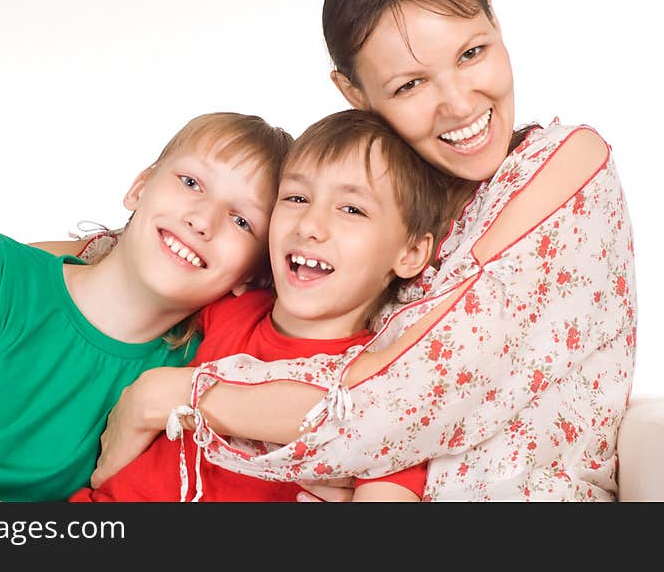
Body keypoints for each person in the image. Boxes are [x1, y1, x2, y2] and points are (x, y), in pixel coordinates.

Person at [88, 0, 637, 502]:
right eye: (410, 85)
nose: (459, 103)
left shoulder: (567, 164)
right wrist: (29, 261)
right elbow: (206, 245)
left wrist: (177, 395)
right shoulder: (371, 210)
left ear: (495, 20)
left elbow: (405, 396)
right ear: (355, 93)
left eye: (472, 52)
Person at [0, 112, 292, 501]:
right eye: (190, 182)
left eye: (241, 220)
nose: (202, 220)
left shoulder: (191, 367)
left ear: (252, 274)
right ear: (139, 188)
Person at [69, 108, 445, 502]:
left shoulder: (382, 389)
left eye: (352, 209)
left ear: (412, 252)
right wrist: (12, 262)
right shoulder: (230, 305)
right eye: (296, 198)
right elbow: (129, 262)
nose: (309, 225)